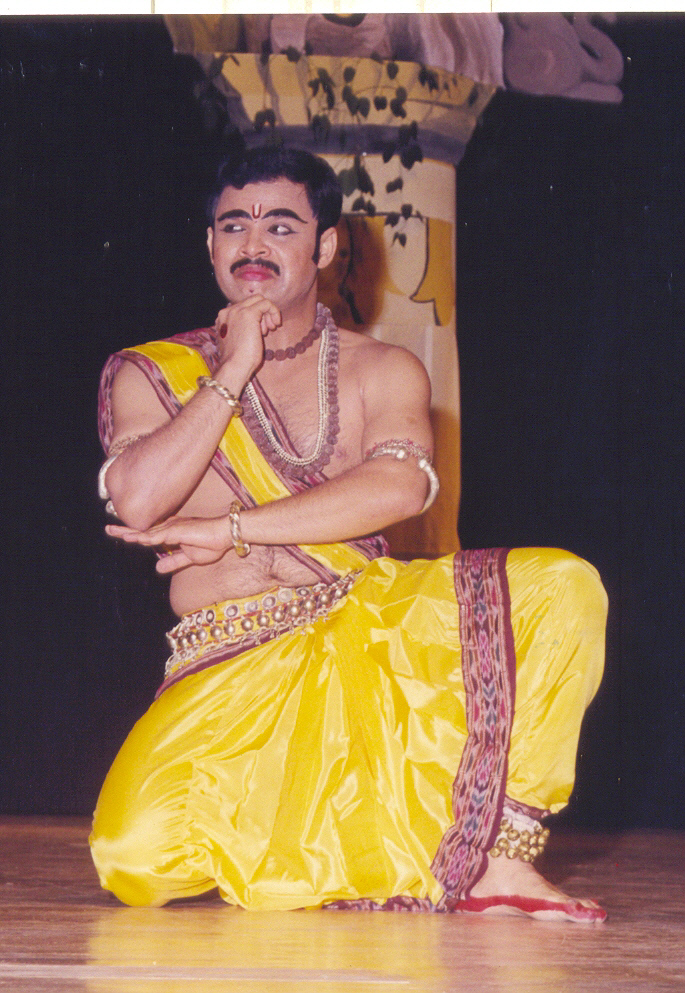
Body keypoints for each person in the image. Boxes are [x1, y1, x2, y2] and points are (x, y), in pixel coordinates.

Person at [90, 146, 608, 922]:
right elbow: (136, 499)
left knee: (562, 585)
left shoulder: (381, 369)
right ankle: (336, 839)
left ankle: (501, 857)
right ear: (209, 244)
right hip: (226, 659)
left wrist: (233, 529)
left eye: (280, 225)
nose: (253, 243)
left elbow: (398, 486)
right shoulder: (154, 372)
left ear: (325, 245)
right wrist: (232, 368)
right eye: (233, 226)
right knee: (134, 857)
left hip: (369, 629)